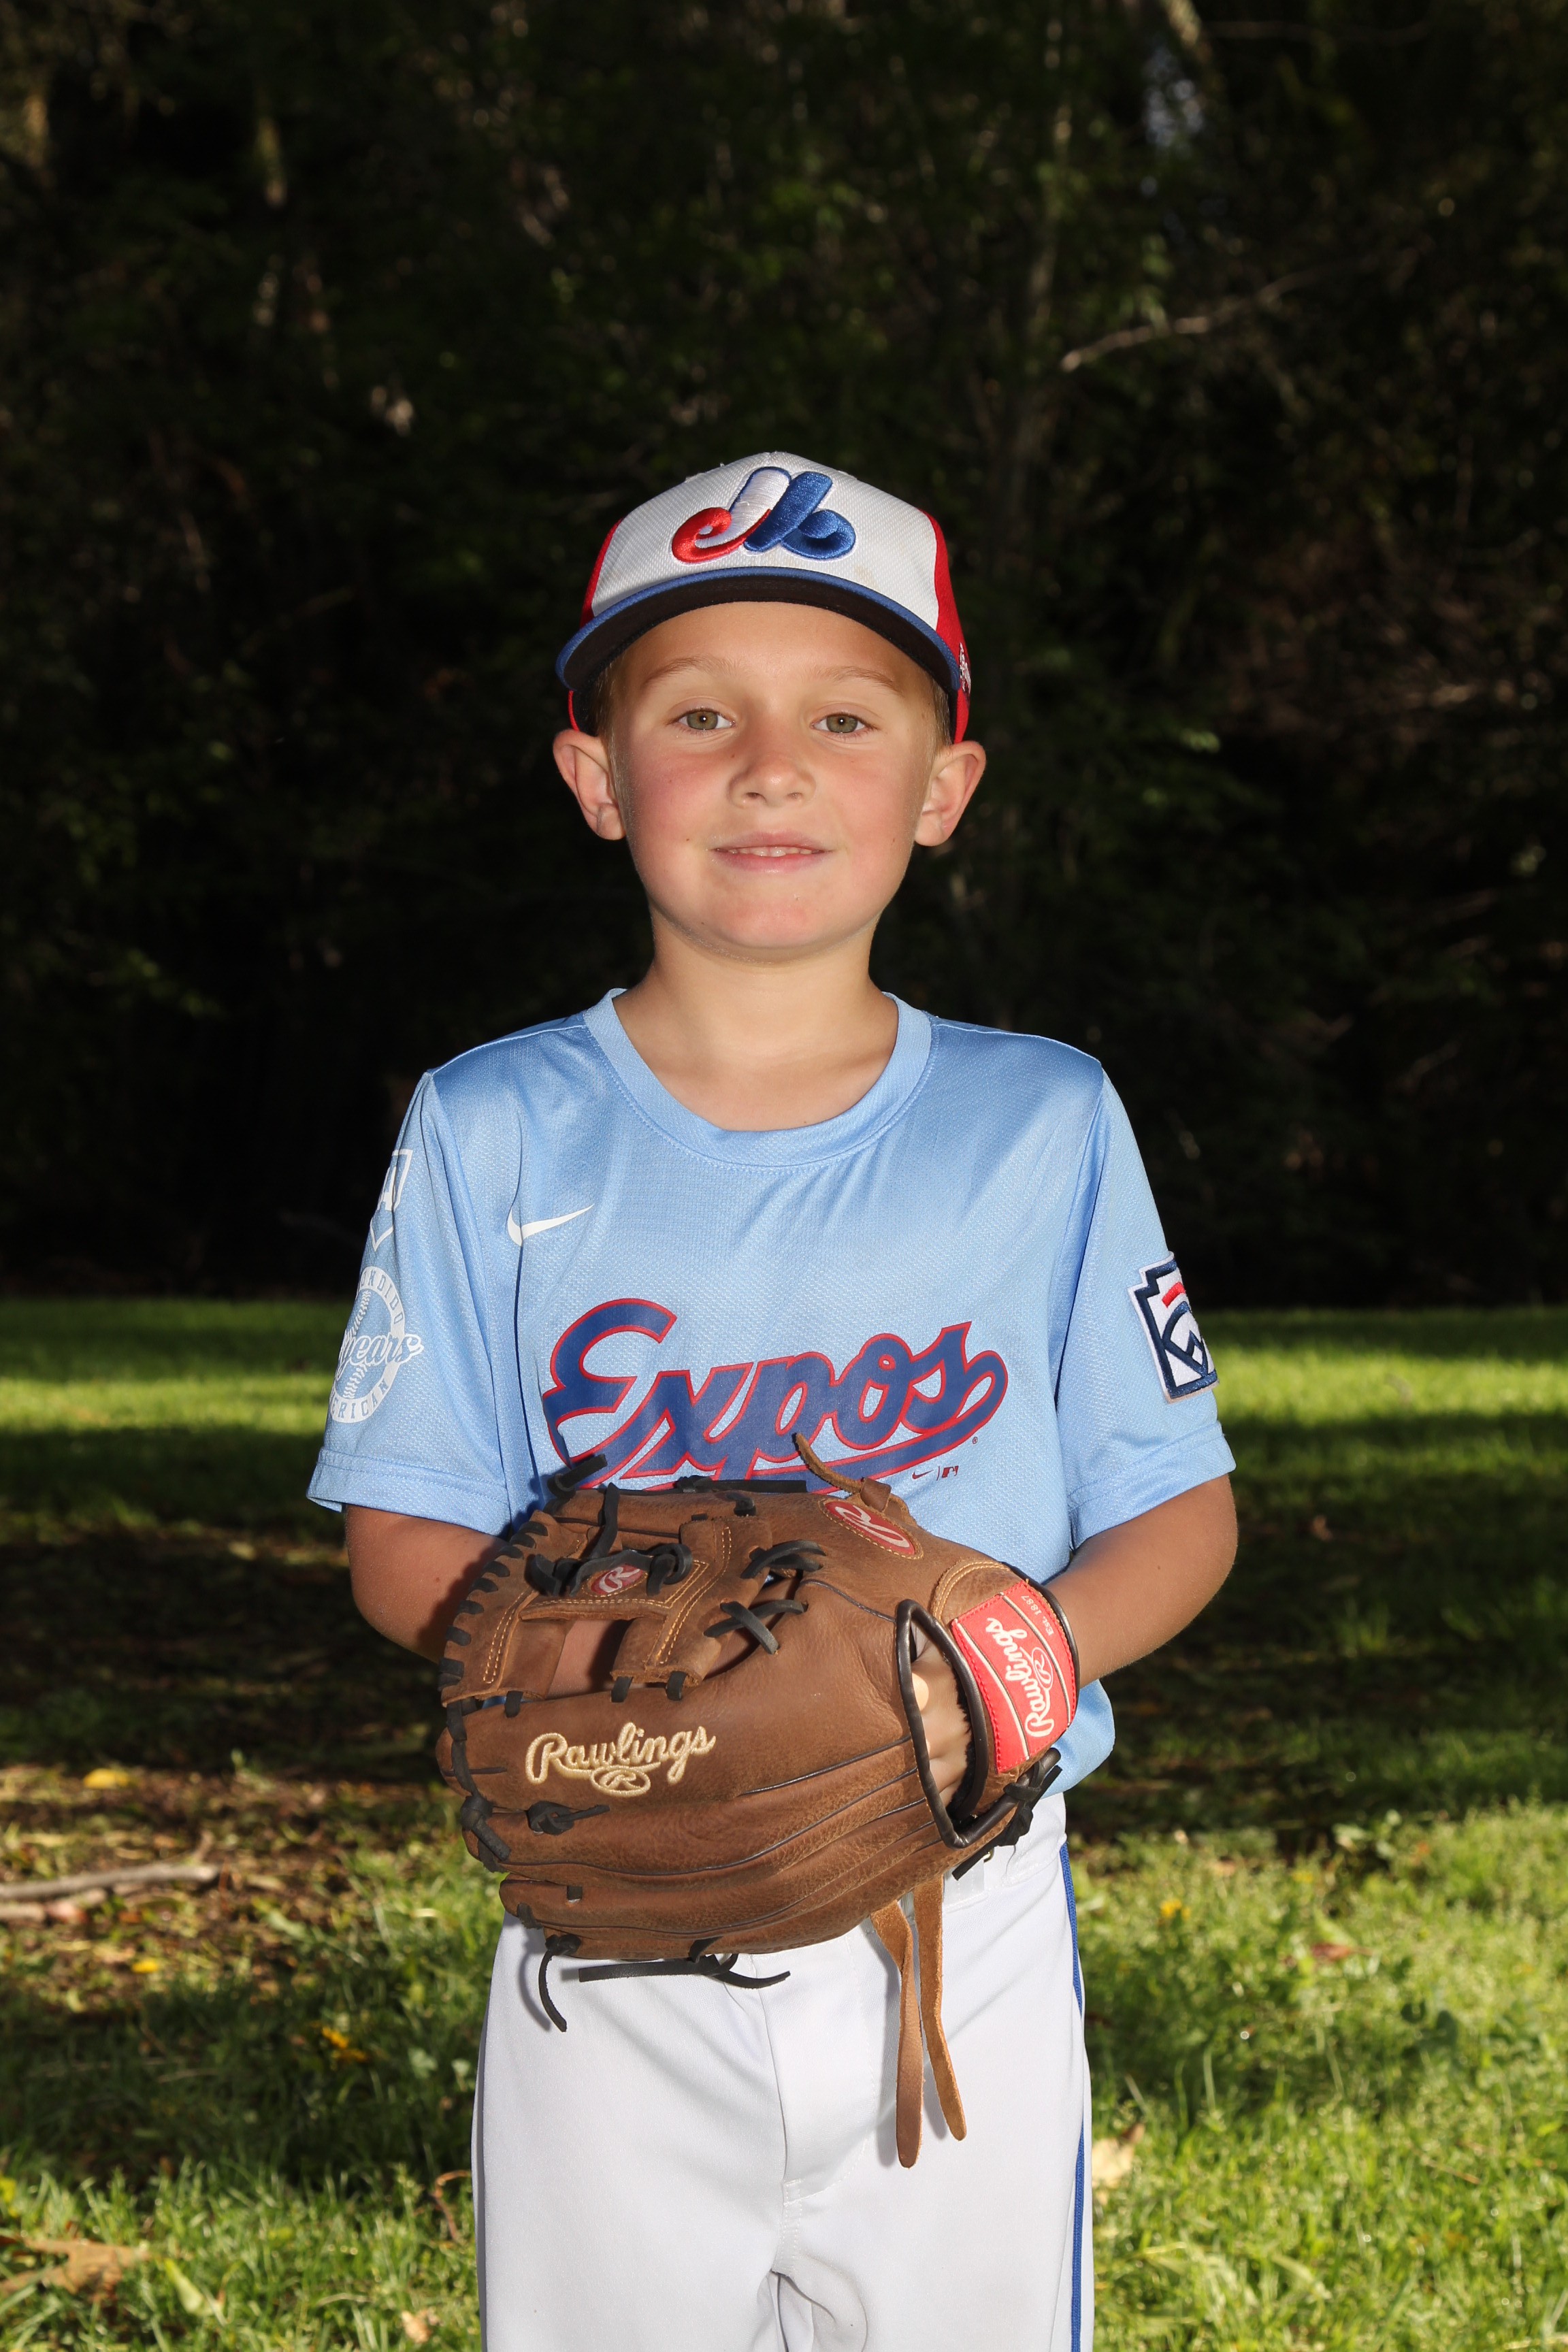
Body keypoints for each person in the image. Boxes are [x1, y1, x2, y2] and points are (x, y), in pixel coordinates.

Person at [310, 453, 1238, 2352]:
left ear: (945, 787)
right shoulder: (491, 1123)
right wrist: (617, 1674)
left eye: (844, 717)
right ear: (596, 776)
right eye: (697, 715)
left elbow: (1180, 1508)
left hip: (959, 1902)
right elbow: (404, 1526)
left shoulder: (1043, 1118)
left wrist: (991, 1671)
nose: (769, 768)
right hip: (610, 1905)